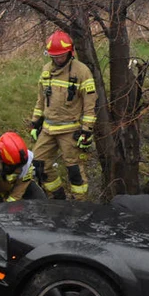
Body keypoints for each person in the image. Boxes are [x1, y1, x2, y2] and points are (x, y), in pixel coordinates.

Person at [29, 30, 97, 200]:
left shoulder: (81, 72)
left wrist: (86, 130)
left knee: (75, 170)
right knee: (38, 164)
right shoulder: (46, 71)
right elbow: (40, 100)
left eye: (61, 56)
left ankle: (79, 204)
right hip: (48, 129)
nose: (58, 59)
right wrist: (35, 122)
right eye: (54, 56)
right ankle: (58, 197)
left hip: (70, 129)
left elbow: (90, 105)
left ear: (70, 52)